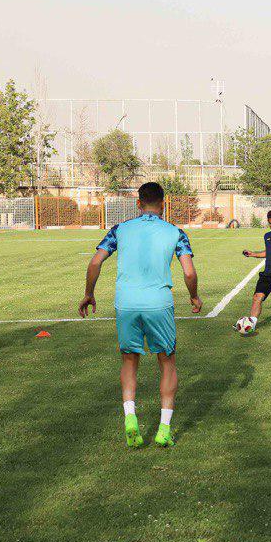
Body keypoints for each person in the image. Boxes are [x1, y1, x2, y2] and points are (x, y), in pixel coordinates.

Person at [79, 182, 201, 449]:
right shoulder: (175, 233)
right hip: (158, 303)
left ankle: (130, 418)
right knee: (167, 362)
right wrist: (193, 296)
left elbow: (95, 262)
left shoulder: (120, 229)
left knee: (129, 360)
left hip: (127, 303)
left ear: (138, 203)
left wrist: (89, 293)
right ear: (163, 204)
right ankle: (164, 429)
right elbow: (189, 272)